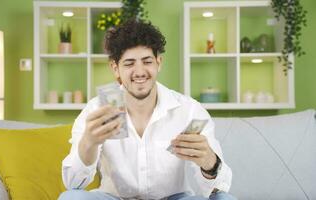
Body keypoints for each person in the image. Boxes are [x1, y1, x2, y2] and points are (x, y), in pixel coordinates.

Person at [59, 19, 236, 200]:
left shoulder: (189, 110)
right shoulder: (96, 109)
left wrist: (209, 162)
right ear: (115, 68)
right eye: (129, 64)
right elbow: (72, 185)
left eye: (147, 61)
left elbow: (220, 188)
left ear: (159, 62)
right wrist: (89, 143)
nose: (140, 71)